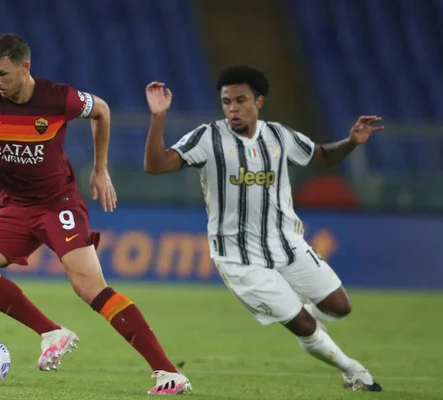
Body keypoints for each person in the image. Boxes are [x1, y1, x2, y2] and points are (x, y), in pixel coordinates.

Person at [0, 33, 191, 395]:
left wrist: (100, 168)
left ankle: (168, 372)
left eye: (2, 74)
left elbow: (102, 110)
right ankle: (51, 332)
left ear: (25, 68)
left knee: (89, 288)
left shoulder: (57, 97)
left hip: (57, 204)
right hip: (16, 206)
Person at [143, 65, 384, 392]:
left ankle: (304, 317)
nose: (232, 108)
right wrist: (158, 117)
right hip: (239, 258)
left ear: (258, 102)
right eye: (226, 102)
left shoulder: (279, 135)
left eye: (240, 100)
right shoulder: (207, 137)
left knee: (339, 307)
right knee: (303, 325)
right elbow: (155, 165)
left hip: (287, 244)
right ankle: (353, 371)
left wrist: (352, 142)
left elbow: (323, 157)